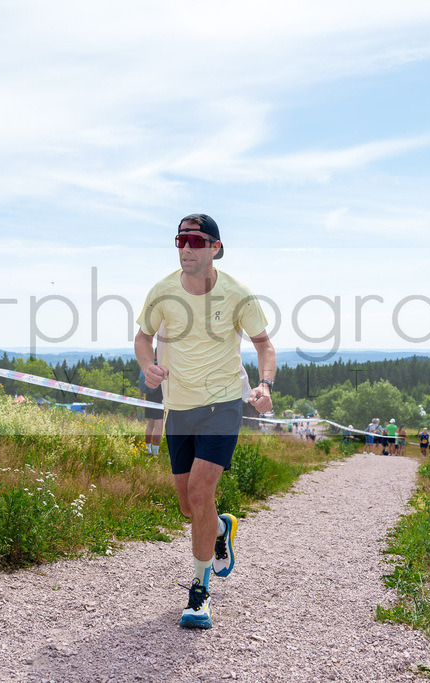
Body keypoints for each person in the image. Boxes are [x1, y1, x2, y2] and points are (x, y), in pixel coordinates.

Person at [135, 213, 276, 630]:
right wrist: (148, 366)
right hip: (178, 406)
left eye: (195, 241)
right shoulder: (162, 292)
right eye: (180, 240)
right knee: (188, 505)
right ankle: (219, 528)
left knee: (200, 490)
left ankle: (199, 593)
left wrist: (265, 385)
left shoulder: (238, 295)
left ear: (216, 247)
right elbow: (144, 336)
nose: (186, 248)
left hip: (224, 402)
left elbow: (264, 345)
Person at [137, 366, 164, 456]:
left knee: (150, 425)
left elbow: (142, 384)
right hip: (159, 399)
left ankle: (147, 449)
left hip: (148, 397)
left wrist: (141, 398)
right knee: (158, 427)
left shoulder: (149, 366)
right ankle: (155, 453)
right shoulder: (162, 366)